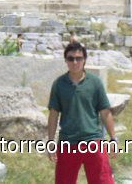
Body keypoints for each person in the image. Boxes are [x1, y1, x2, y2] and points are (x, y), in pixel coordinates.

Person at [48, 42, 116, 184]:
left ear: (84, 59)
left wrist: (113, 139)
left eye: (78, 58)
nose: (75, 62)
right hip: (68, 143)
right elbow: (53, 115)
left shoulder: (95, 83)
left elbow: (105, 112)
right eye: (70, 58)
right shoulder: (59, 84)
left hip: (93, 141)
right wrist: (50, 141)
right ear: (65, 60)